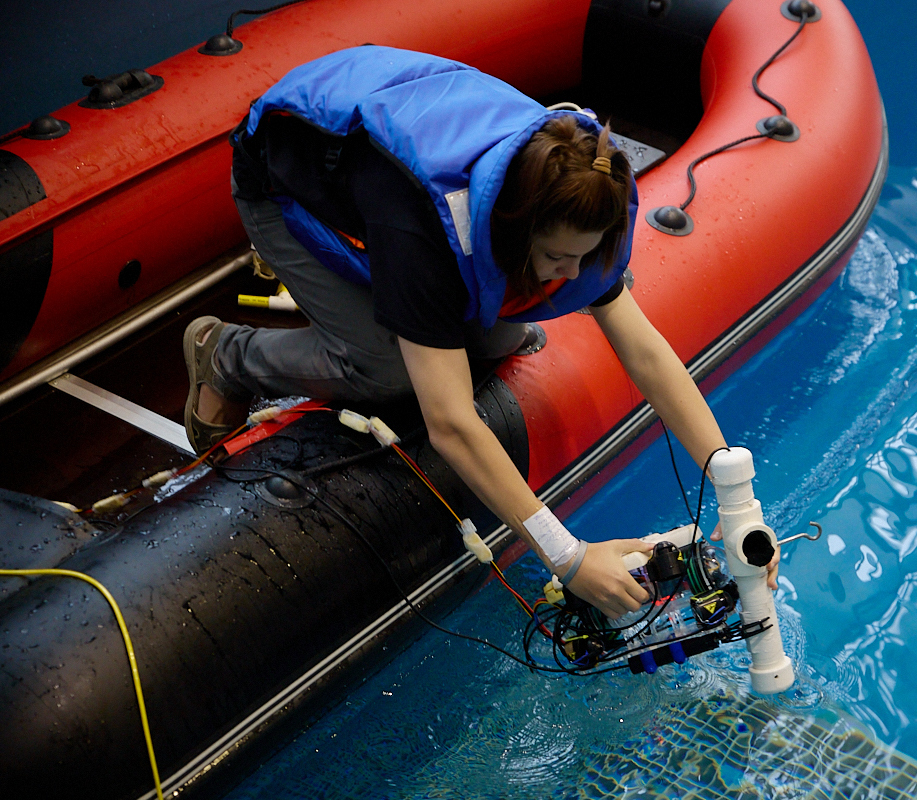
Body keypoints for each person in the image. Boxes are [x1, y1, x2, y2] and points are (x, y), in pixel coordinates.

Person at [183, 46, 776, 619]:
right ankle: (226, 355)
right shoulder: (422, 221)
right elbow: (449, 423)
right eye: (557, 257)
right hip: (284, 177)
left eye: (584, 256)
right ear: (515, 230)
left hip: (385, 144)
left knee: (498, 338)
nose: (573, 277)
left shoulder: (576, 193)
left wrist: (738, 503)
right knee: (388, 372)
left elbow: (644, 351)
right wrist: (568, 557)